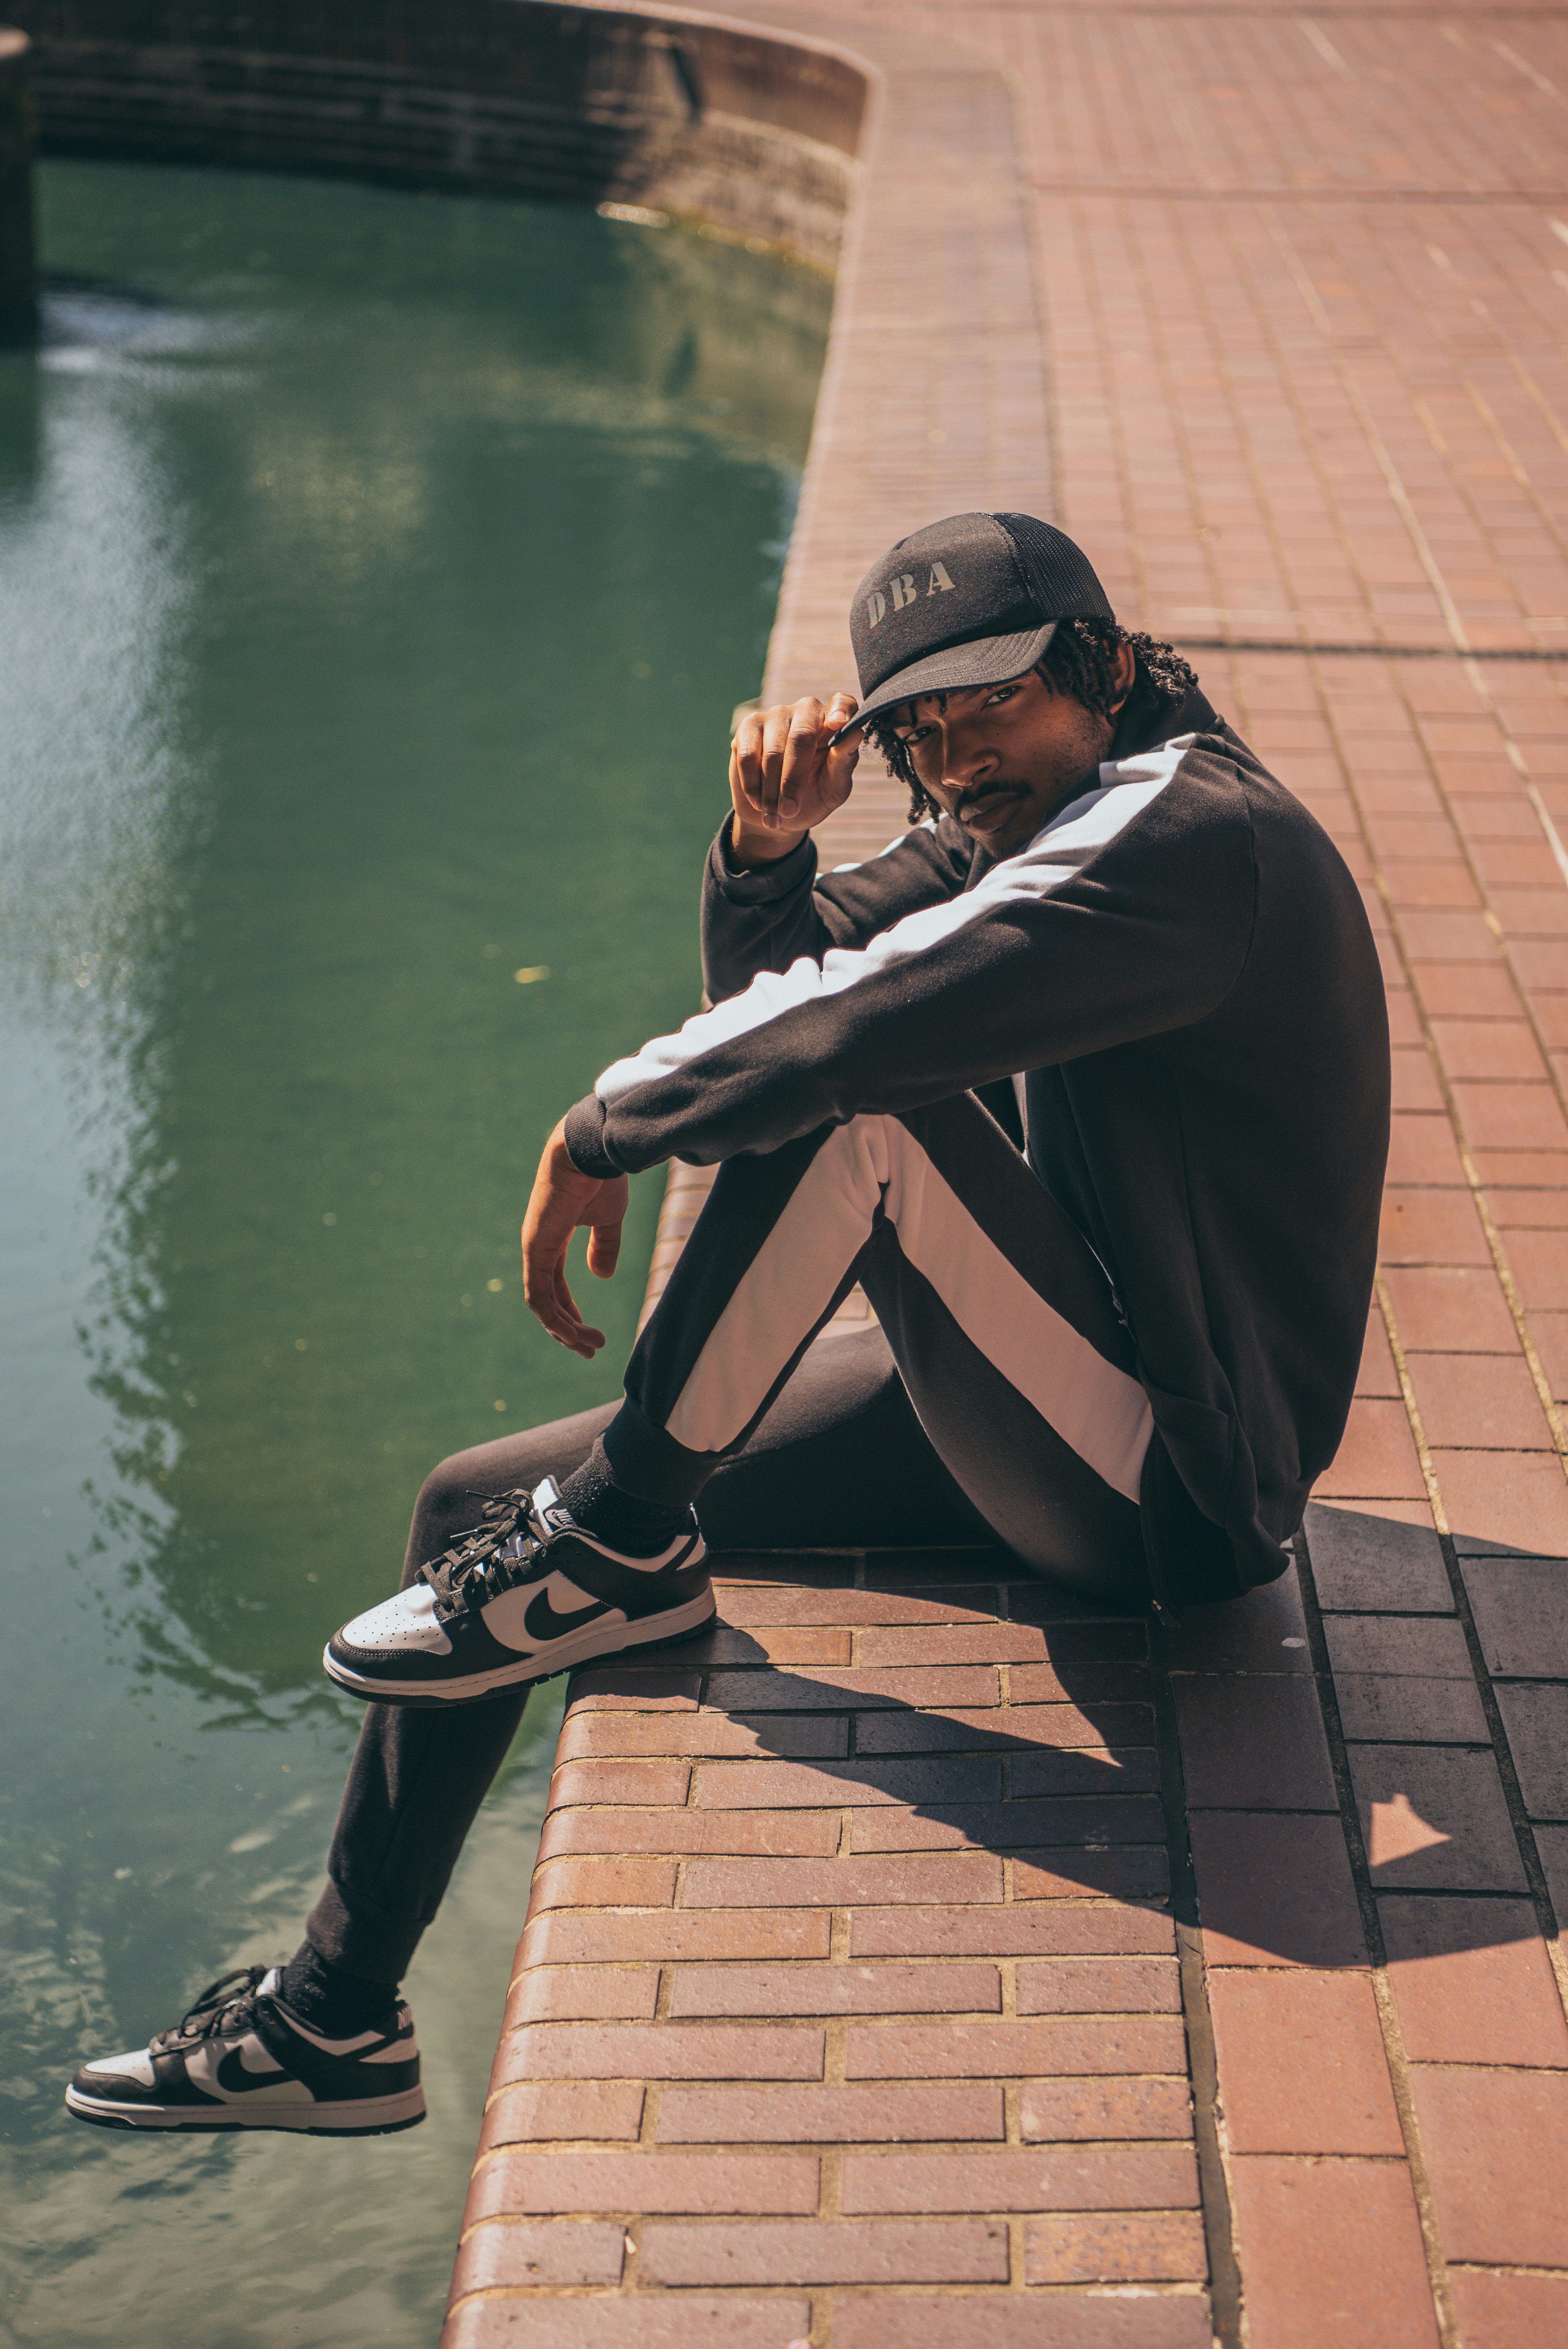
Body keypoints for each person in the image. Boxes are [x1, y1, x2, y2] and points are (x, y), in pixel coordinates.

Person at [66, 510, 1389, 2135]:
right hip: (1056, 1390)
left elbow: (844, 1042)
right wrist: (765, 855)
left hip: (1179, 1485)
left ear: (1104, 665)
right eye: (921, 730)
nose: (961, 757)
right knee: (478, 1509)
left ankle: (622, 1539)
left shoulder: (1186, 835)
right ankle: (334, 2021)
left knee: (870, 1110)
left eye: (996, 700)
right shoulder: (1020, 818)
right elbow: (790, 990)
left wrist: (604, 1122)